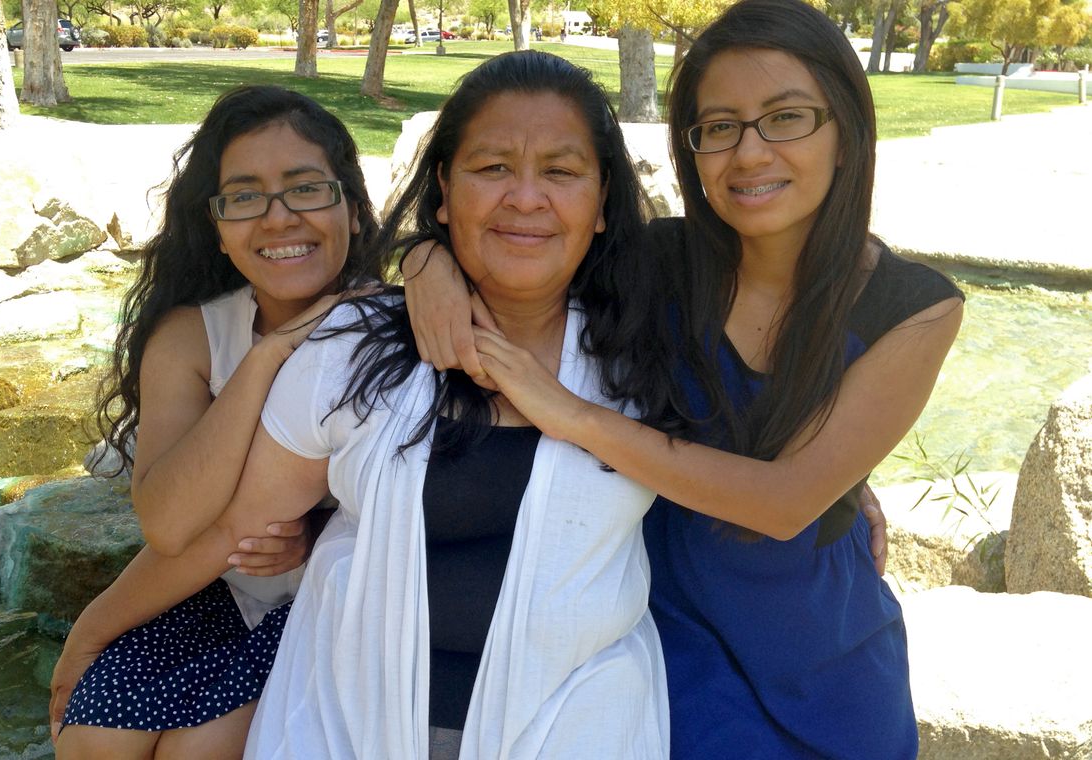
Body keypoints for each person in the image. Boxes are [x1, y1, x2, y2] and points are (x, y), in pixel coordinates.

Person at [46, 51, 677, 759]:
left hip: (554, 715)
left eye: (560, 172)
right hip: (305, 665)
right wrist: (92, 630)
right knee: (96, 739)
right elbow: (197, 524)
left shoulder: (649, 342)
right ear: (443, 190)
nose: (526, 197)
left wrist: (424, 263)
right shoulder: (326, 343)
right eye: (492, 168)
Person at [401, 1, 964, 757]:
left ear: (846, 134)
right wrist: (424, 261)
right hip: (667, 641)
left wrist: (570, 415)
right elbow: (516, 247)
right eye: (719, 127)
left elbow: (786, 502)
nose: (750, 153)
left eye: (786, 117)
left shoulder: (916, 306)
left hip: (827, 661)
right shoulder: (651, 264)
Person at [48, 84, 380, 759]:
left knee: (202, 749)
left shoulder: (388, 327)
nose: (278, 218)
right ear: (218, 226)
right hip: (218, 592)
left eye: (306, 188)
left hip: (336, 607)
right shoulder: (192, 335)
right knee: (94, 740)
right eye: (245, 196)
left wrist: (313, 531)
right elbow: (169, 522)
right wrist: (264, 359)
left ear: (348, 202)